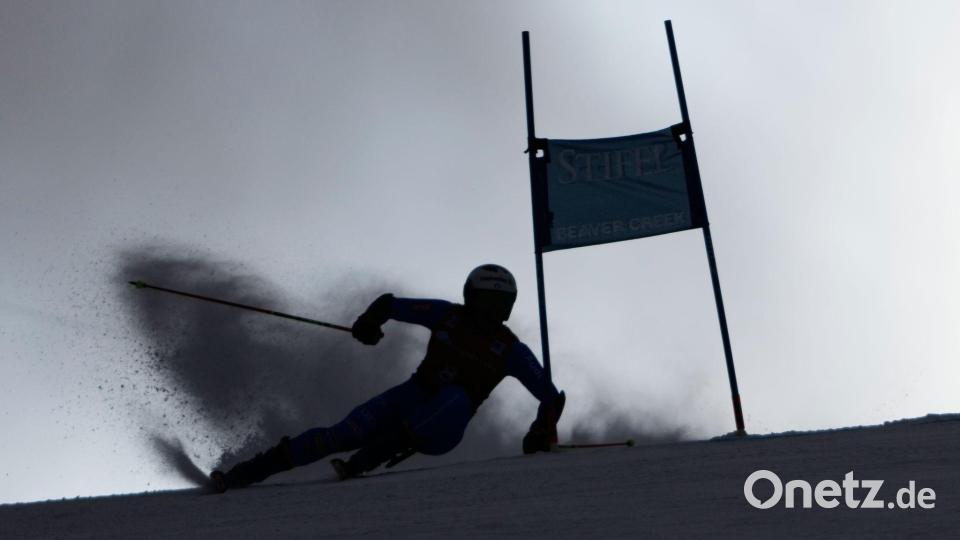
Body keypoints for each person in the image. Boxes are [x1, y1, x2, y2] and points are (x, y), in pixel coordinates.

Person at [210, 264, 565, 492]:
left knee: (455, 397)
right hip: (411, 396)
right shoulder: (447, 316)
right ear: (470, 298)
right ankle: (249, 471)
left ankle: (375, 454)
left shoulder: (509, 349)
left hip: (444, 426)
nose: (490, 311)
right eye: (485, 301)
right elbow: (390, 304)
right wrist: (369, 322)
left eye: (499, 304)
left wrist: (540, 430)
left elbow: (550, 397)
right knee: (342, 433)